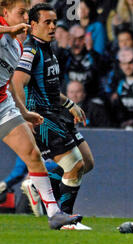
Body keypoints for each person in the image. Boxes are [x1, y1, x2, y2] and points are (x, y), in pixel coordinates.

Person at [0, 0, 82, 229]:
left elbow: (10, 84)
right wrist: (9, 29)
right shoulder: (6, 34)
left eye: (27, 13)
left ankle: (54, 213)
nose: (25, 17)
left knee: (33, 155)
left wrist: (24, 112)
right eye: (21, 12)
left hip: (3, 105)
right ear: (5, 12)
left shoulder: (17, 47)